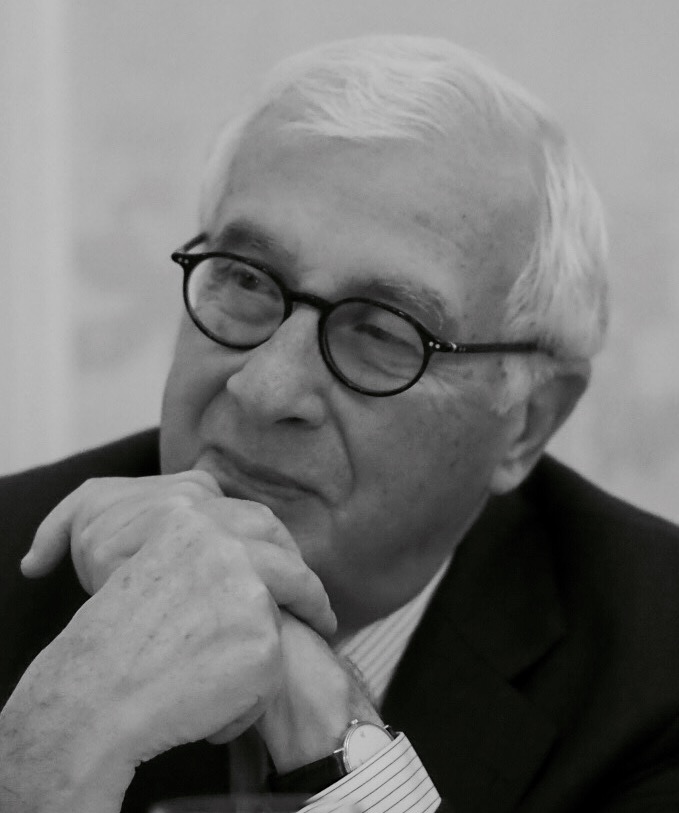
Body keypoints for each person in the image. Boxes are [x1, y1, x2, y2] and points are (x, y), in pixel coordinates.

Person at [1, 34, 678, 813]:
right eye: (246, 281)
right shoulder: (13, 564)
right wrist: (44, 763)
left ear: (525, 422)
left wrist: (330, 723)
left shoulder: (655, 671)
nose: (264, 388)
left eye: (382, 331)